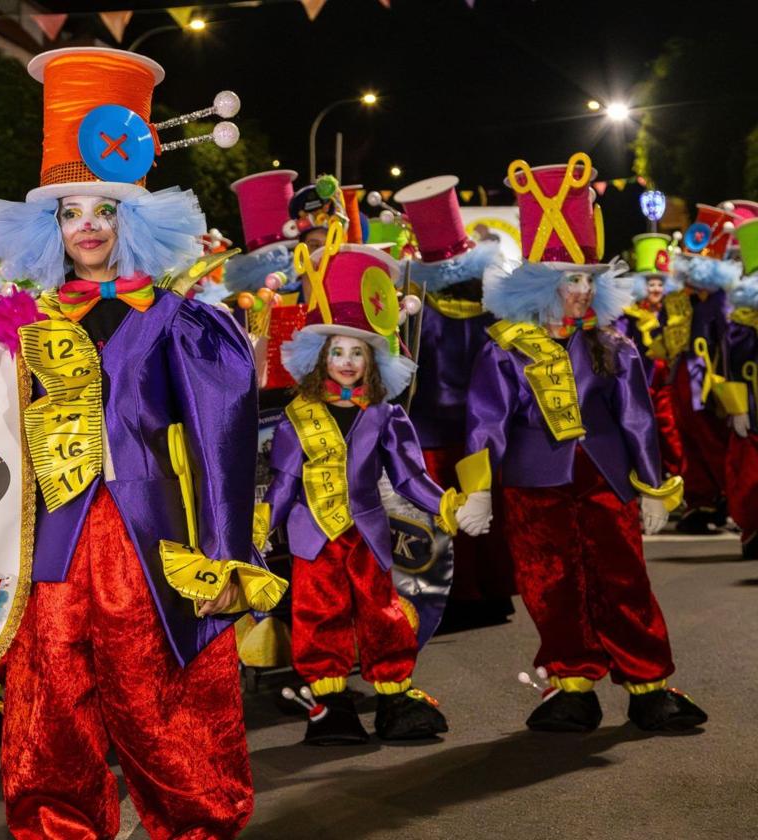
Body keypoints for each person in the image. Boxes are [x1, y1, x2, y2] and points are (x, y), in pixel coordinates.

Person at [0, 47, 277, 839]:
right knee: (49, 702)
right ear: (51, 225)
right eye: (70, 210)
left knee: (161, 701)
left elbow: (224, 446)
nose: (86, 226)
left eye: (103, 209)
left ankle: (195, 825)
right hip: (51, 542)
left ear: (132, 219)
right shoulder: (20, 320)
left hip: (150, 543)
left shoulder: (185, 320)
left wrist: (226, 556)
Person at [462, 154, 707, 733]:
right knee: (550, 583)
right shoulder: (504, 348)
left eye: (584, 279)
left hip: (606, 477)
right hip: (532, 483)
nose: (577, 289)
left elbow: (638, 420)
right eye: (566, 278)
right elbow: (485, 423)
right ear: (540, 284)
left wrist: (652, 487)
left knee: (625, 579)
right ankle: (571, 682)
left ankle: (648, 682)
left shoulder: (614, 345)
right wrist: (476, 490)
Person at [267, 236, 465, 744]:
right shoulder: (295, 417)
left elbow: (408, 475)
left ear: (373, 360)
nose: (349, 361)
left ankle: (395, 697)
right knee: (318, 615)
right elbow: (286, 481)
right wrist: (260, 526)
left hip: (369, 533)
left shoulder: (386, 414)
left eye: (358, 351)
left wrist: (443, 501)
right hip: (312, 536)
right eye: (339, 351)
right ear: (321, 356)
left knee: (381, 611)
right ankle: (331, 704)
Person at [394, 175, 514, 628]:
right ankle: (490, 591)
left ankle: (452, 596)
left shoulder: (417, 309)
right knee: (480, 507)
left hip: (432, 427)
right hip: (479, 425)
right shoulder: (491, 308)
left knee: (439, 513)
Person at [669, 204, 742, 533]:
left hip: (708, 377)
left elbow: (728, 343)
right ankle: (702, 499)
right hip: (686, 373)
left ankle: (726, 495)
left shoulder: (720, 302)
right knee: (692, 437)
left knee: (712, 439)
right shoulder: (692, 300)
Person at [618, 233, 685, 479]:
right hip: (640, 384)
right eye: (651, 283)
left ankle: (677, 475)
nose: (656, 288)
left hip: (666, 383)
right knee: (641, 429)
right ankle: (646, 476)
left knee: (669, 429)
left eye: (660, 283)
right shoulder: (630, 316)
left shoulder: (674, 314)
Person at [719, 220, 758, 559]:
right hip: (754, 411)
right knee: (750, 479)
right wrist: (739, 408)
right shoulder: (742, 324)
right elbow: (731, 365)